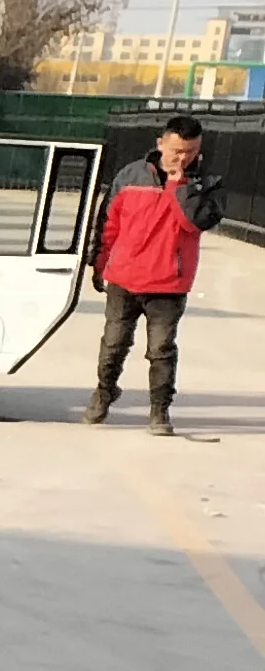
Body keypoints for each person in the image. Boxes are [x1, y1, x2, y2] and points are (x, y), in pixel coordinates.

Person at [88, 117, 227, 435]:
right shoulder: (131, 175)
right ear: (161, 143)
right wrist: (99, 261)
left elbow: (195, 223)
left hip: (169, 282)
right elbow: (109, 221)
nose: (183, 157)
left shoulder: (208, 183)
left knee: (161, 349)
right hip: (124, 277)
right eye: (177, 150)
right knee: (113, 344)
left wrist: (180, 185)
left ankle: (159, 410)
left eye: (191, 151)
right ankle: (104, 391)